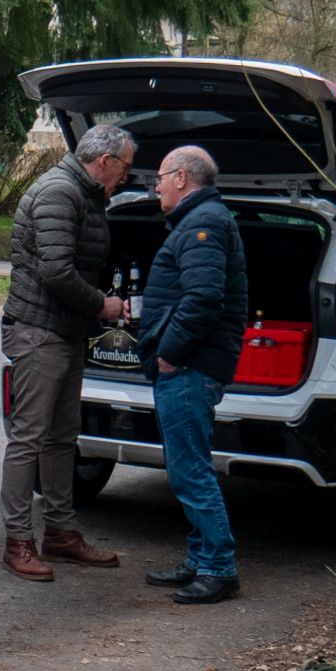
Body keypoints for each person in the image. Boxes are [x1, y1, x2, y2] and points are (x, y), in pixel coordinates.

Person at [0, 123, 133, 581]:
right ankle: (18, 541)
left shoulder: (85, 193)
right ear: (104, 161)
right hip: (39, 332)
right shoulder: (60, 192)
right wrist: (101, 305)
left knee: (61, 437)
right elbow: (56, 271)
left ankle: (60, 532)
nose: (126, 178)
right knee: (29, 438)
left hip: (64, 331)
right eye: (124, 168)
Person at [134, 145, 248, 605]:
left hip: (190, 365)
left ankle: (219, 567)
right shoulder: (199, 220)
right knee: (185, 465)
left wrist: (170, 352)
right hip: (189, 364)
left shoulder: (204, 224)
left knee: (191, 470)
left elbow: (203, 299)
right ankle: (200, 558)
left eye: (160, 177)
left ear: (181, 178)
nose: (156, 187)